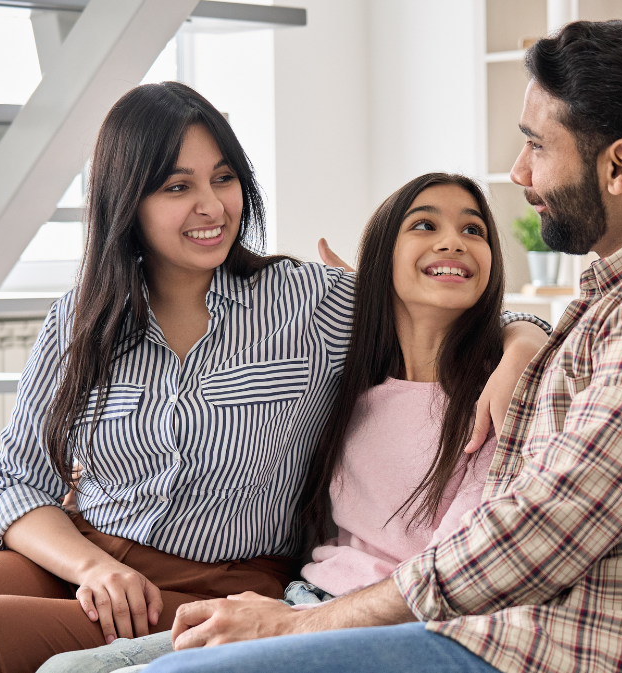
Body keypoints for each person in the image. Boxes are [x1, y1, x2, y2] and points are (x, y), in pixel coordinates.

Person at [0, 85, 547, 673]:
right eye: (177, 185)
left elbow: (457, 301)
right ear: (129, 201)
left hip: (213, 580)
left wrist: (518, 347)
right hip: (79, 554)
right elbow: (15, 482)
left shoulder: (310, 300)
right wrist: (90, 565)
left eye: (222, 178)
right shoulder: (80, 318)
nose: (211, 206)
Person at [137, 19, 622, 673]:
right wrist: (493, 330)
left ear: (619, 166)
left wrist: (298, 622)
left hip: (585, 649)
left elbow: (549, 525)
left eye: (536, 147)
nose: (518, 173)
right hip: (505, 635)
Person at [39, 172, 519, 673]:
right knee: (68, 670)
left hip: (382, 628)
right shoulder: (348, 381)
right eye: (424, 224)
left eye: (474, 231)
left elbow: (460, 575)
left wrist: (524, 341)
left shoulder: (500, 400)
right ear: (379, 263)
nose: (453, 242)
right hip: (301, 601)